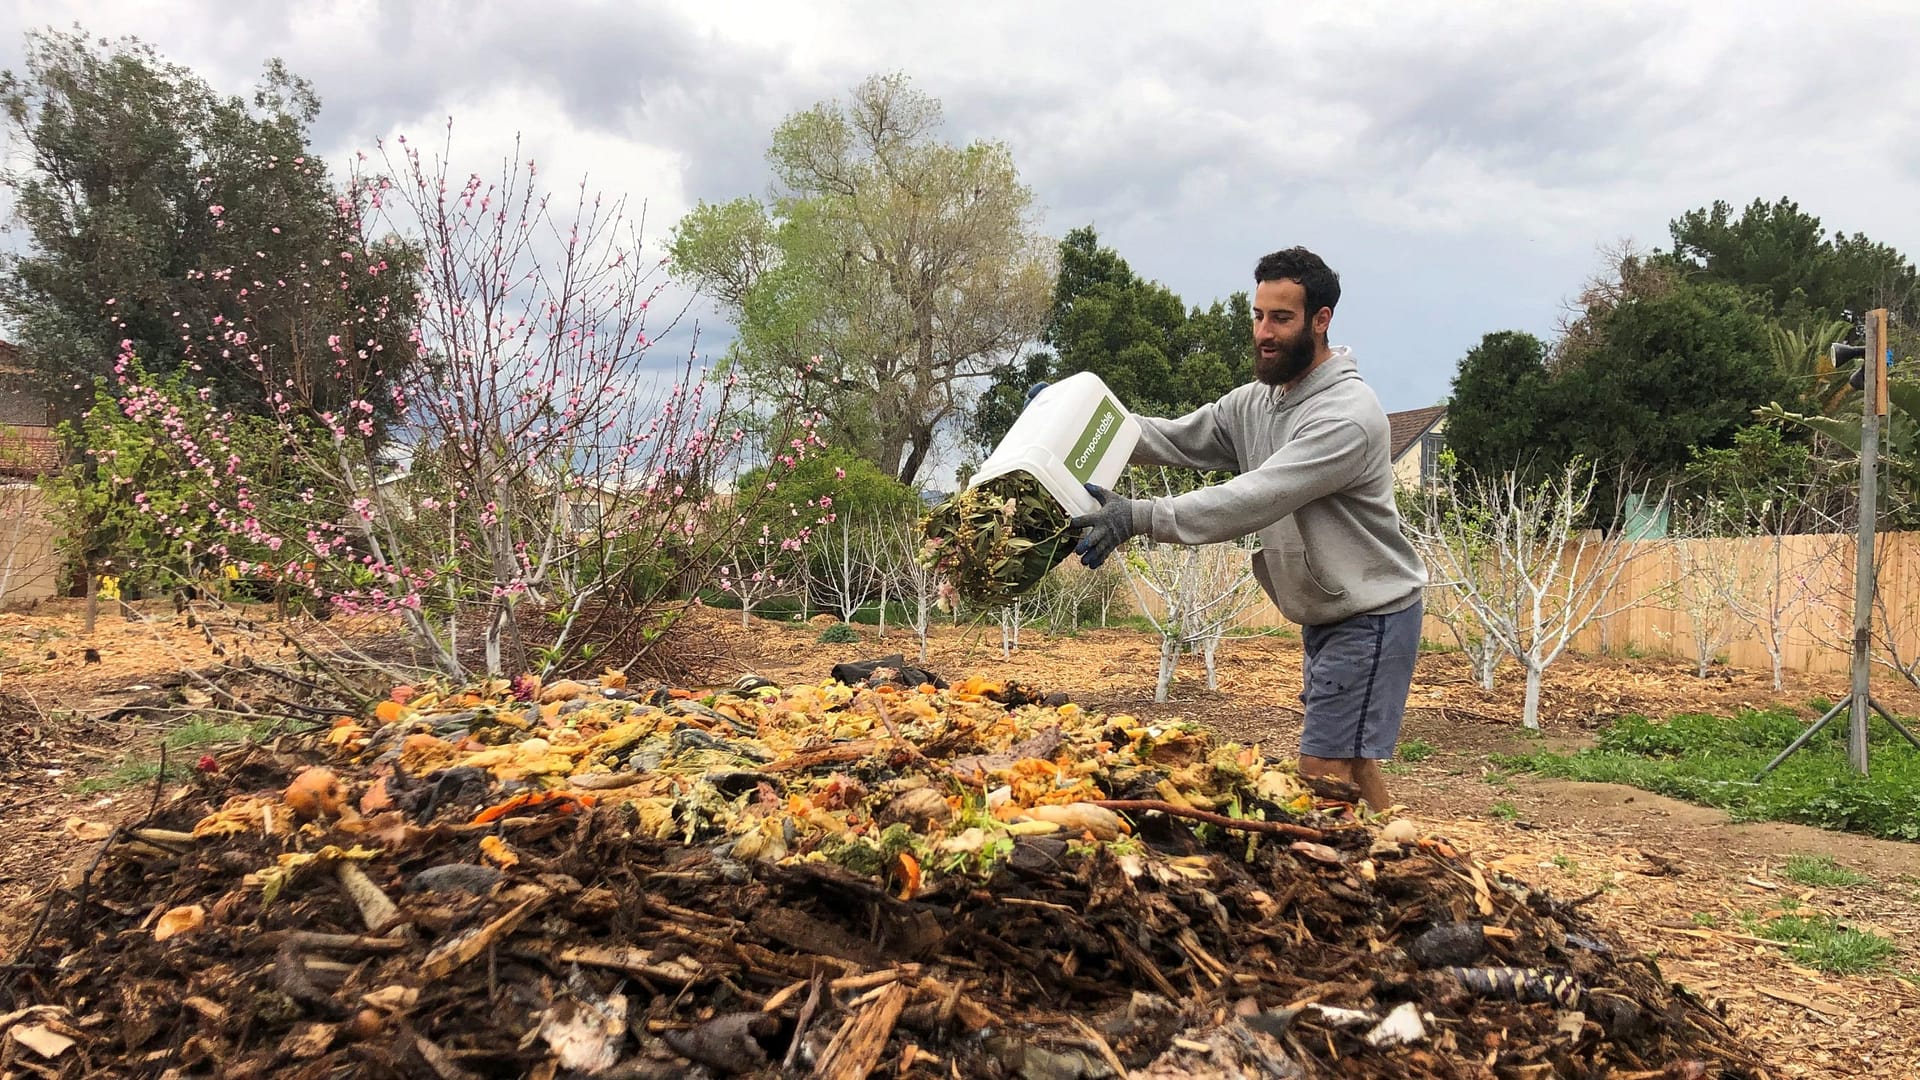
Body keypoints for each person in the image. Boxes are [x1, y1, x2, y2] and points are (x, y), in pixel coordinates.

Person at [1038, 246, 1427, 812]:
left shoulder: (1345, 416)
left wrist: (1138, 517)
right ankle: (1402, 851)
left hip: (1371, 615)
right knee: (1352, 755)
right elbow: (1171, 438)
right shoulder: (1258, 402)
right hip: (1333, 608)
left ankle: (1353, 879)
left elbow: (1253, 498)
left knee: (1320, 775)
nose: (1263, 332)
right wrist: (1072, 418)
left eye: (1282, 318)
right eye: (1258, 315)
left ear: (1321, 321)